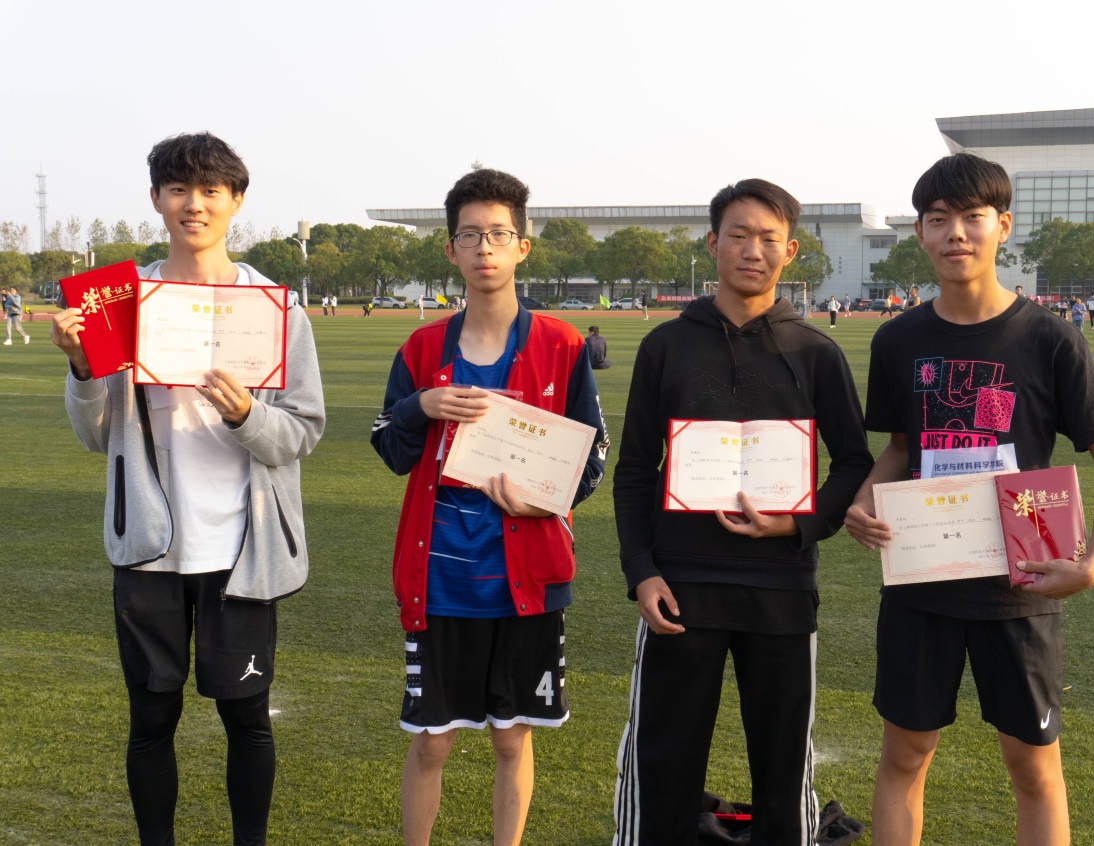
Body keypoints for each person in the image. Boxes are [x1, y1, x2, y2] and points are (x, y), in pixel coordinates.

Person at [843, 152, 1094, 846]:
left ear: (1002, 226)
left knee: (1032, 767)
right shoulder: (897, 340)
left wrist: (1093, 561)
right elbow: (901, 447)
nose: (955, 233)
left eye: (972, 217)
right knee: (904, 757)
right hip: (922, 581)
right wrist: (863, 499)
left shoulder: (1050, 338)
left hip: (1019, 586)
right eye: (937, 219)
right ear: (919, 233)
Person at [50, 132, 325, 846]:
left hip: (243, 549)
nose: (193, 204)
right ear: (156, 199)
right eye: (178, 188)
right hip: (150, 548)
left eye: (210, 190)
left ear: (237, 201)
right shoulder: (120, 300)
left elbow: (302, 431)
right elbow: (96, 435)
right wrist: (82, 368)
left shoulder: (275, 306)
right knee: (151, 718)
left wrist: (245, 414)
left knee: (246, 716)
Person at [611, 178, 874, 846]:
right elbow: (635, 468)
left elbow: (853, 463)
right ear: (712, 243)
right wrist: (641, 572)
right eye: (738, 235)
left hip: (781, 586)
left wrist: (796, 523)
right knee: (664, 766)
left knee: (784, 771)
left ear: (790, 250)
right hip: (681, 586)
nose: (752, 250)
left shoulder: (815, 351)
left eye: (767, 238)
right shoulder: (666, 346)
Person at [371, 168, 607, 846]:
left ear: (522, 247)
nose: (484, 248)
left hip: (525, 577)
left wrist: (542, 501)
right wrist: (420, 406)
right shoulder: (422, 349)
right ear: (450, 249)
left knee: (511, 737)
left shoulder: (562, 346)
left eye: (499, 234)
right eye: (470, 235)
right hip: (439, 580)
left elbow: (591, 456)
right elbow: (388, 447)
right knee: (432, 742)